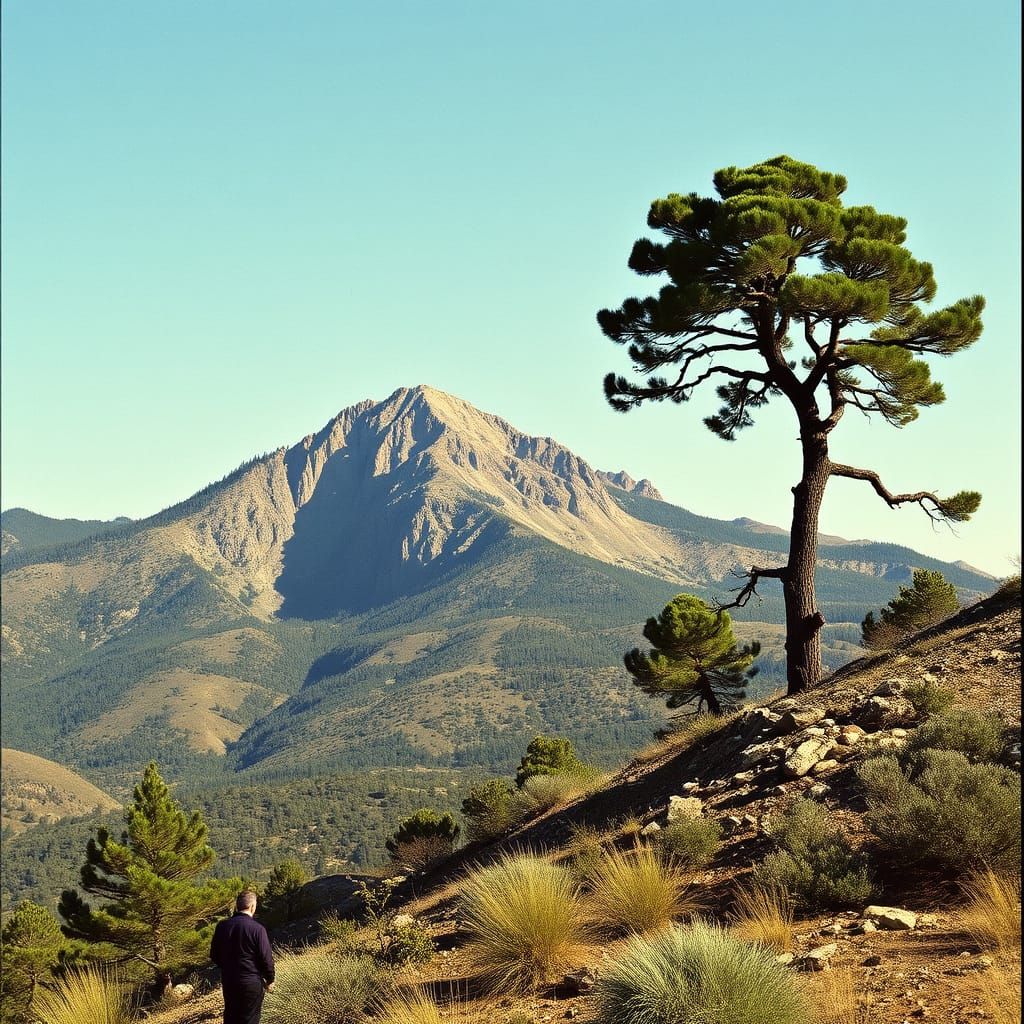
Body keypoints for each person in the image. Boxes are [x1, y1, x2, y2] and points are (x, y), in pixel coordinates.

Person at [210, 891, 275, 1024]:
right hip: (251, 982)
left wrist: (228, 967)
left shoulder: (222, 927)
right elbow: (266, 958)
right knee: (250, 1019)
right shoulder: (257, 929)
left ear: (237, 906)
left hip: (229, 981)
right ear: (252, 906)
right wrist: (270, 979)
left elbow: (214, 955)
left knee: (231, 1018)